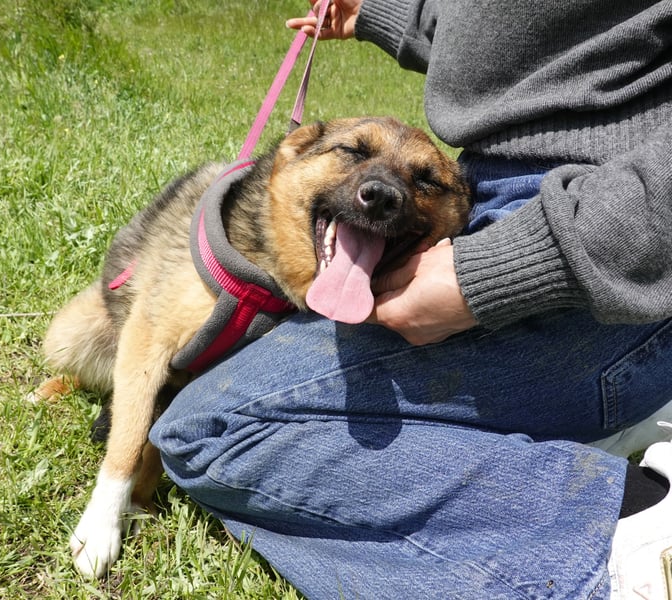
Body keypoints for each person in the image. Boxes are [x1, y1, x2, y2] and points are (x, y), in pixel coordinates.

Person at [149, 1, 672, 598]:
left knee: (211, 429)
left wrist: (508, 268)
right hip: (509, 203)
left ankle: (629, 530)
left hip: (615, 253)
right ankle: (564, 422)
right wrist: (397, 15)